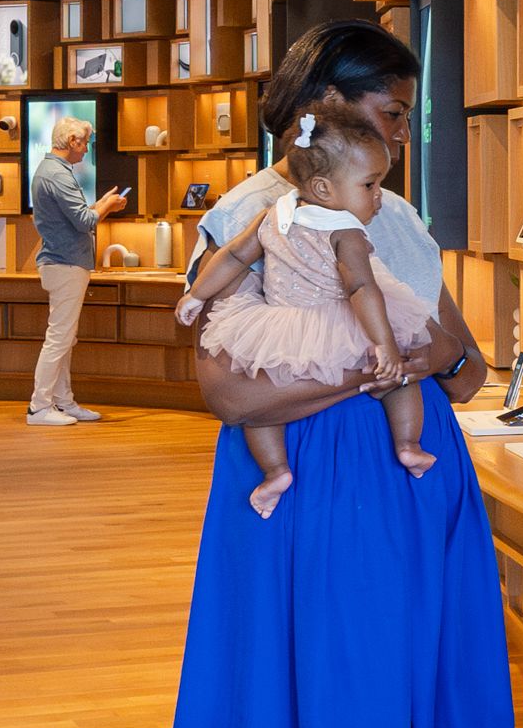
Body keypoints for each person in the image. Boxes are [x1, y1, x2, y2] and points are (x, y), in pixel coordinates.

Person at [155, 18, 523, 728]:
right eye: (389, 111)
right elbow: (226, 389)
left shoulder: (396, 213)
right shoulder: (250, 212)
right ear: (321, 102)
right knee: (303, 715)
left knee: (422, 699)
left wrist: (421, 359)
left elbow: (462, 363)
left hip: (417, 479)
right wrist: (373, 368)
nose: (401, 135)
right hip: (311, 490)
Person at [181, 110, 447, 502]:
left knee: (264, 411)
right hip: (340, 323)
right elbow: (361, 288)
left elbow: (234, 257)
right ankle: (407, 443)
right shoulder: (346, 231)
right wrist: (384, 342)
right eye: (370, 185)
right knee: (401, 378)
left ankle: (275, 471)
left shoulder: (274, 214)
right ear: (323, 188)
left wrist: (197, 295)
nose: (378, 196)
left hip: (281, 326)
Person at [24, 110, 131, 429]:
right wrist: (107, 206)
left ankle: (63, 400)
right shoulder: (57, 174)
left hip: (63, 261)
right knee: (59, 338)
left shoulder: (52, 170)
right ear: (72, 141)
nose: (86, 150)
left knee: (65, 338)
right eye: (85, 143)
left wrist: (100, 205)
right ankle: (39, 406)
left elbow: (78, 216)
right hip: (66, 262)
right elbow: (84, 221)